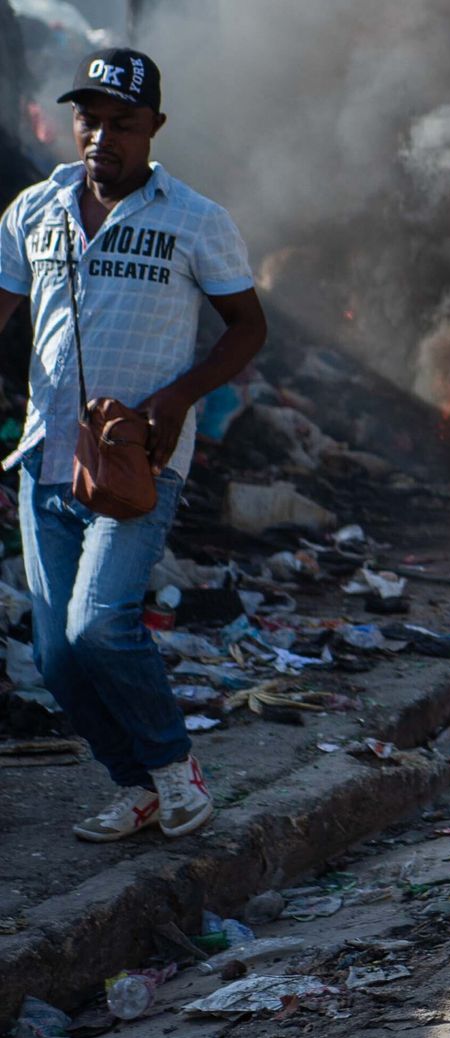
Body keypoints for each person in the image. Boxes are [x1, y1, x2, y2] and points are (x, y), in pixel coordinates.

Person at [0, 48, 266, 842]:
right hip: (47, 458)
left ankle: (175, 768)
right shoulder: (31, 212)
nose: (101, 137)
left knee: (98, 626)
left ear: (155, 128)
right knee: (55, 656)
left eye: (122, 122)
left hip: (139, 459)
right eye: (90, 119)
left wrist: (179, 399)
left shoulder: (195, 219)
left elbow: (248, 327)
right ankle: (137, 785)